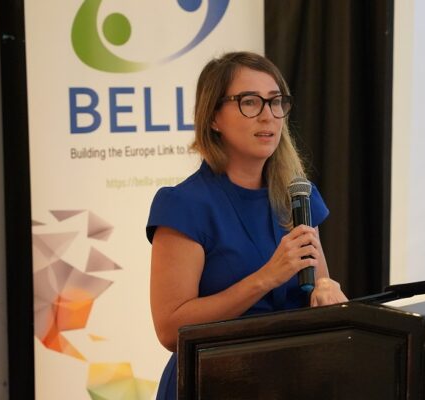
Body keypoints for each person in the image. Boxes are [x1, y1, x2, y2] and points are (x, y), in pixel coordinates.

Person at [146, 51, 348, 399]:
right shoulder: (184, 205)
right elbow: (169, 329)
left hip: (291, 381)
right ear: (213, 117)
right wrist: (265, 277)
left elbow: (319, 286)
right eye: (250, 102)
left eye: (276, 102)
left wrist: (331, 298)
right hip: (213, 384)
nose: (268, 115)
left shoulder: (298, 196)